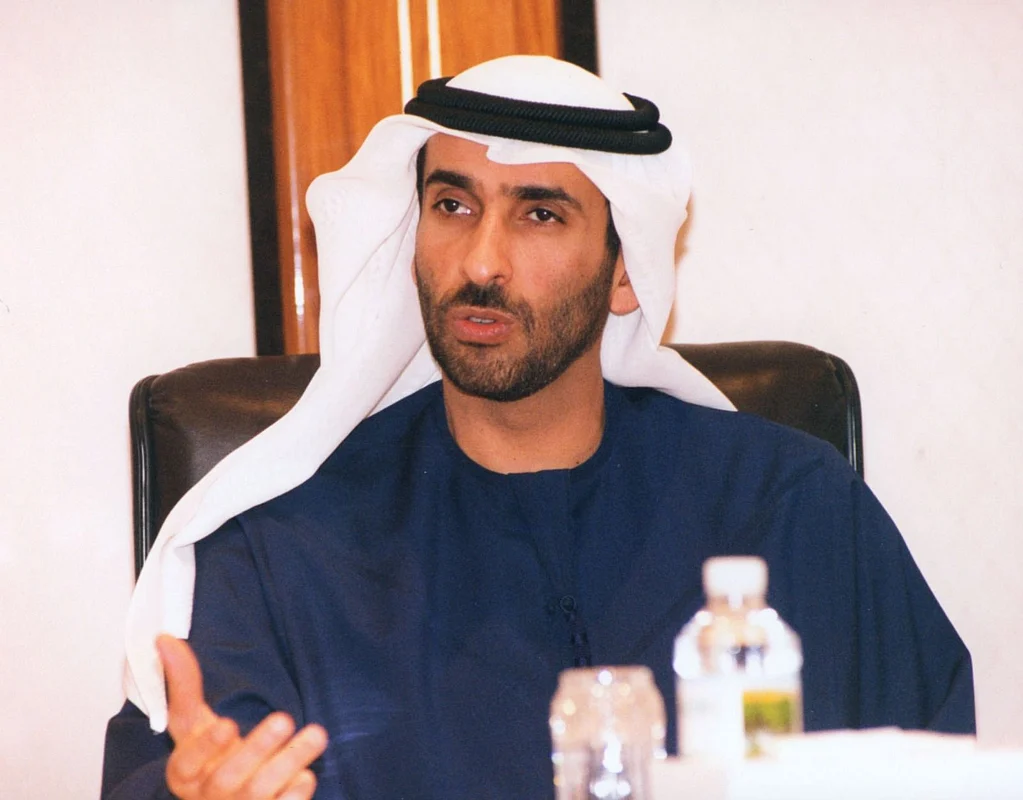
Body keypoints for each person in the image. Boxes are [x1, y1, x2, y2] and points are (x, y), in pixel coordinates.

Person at [101, 56, 974, 799]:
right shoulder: (280, 546)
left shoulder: (791, 509)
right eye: (452, 206)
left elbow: (933, 764)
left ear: (625, 272)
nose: (480, 261)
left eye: (540, 213)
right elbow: (190, 766)